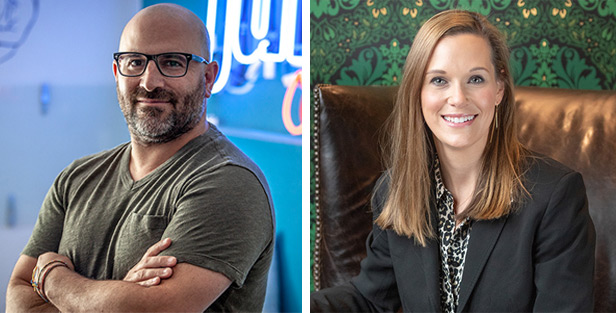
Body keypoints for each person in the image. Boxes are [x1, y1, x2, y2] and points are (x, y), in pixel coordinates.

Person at [311, 9, 595, 312]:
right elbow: (369, 299)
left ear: (498, 89)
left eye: (475, 78)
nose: (458, 98)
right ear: (417, 93)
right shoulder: (395, 190)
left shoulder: (556, 196)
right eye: (439, 80)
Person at [6, 3, 274, 312]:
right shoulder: (76, 178)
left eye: (173, 63)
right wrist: (120, 294)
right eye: (134, 62)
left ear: (209, 78)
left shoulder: (228, 181)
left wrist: (53, 279)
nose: (150, 82)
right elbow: (18, 297)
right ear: (117, 72)